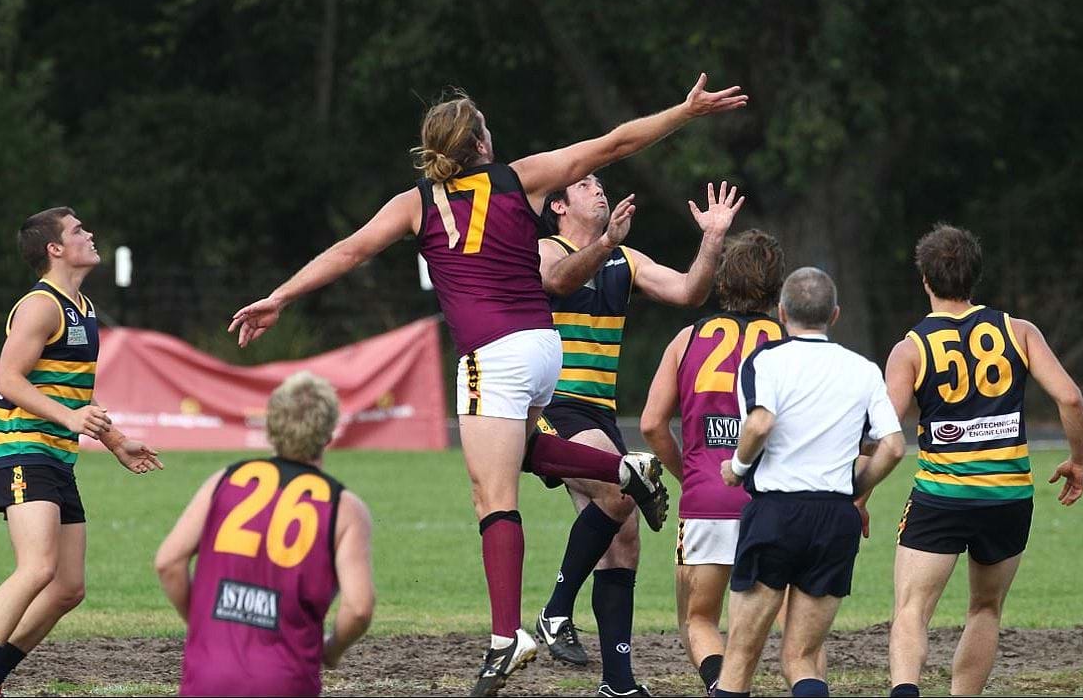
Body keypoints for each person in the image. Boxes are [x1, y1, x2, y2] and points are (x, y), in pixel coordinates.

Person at [229, 73, 749, 696]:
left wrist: (280, 296)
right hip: (542, 349)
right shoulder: (519, 177)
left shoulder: (415, 204)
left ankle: (507, 637)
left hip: (492, 355)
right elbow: (614, 143)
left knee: (492, 498)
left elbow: (349, 251)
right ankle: (620, 470)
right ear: (479, 143)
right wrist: (684, 113)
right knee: (522, 451)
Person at [531, 176, 744, 698]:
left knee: (623, 540)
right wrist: (605, 243)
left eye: (599, 183)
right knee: (623, 490)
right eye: (584, 184)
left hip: (599, 414)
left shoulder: (625, 260)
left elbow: (690, 291)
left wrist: (712, 239)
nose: (598, 189)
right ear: (558, 205)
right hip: (553, 407)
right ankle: (555, 611)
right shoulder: (543, 250)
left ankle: (618, 683)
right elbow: (557, 281)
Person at [0, 207, 163, 698]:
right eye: (78, 230)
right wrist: (68, 419)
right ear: (55, 248)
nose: (90, 234)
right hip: (23, 449)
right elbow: (8, 379)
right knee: (38, 567)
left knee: (67, 588)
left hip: (55, 456)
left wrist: (114, 440)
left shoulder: (81, 307)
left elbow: (72, 392)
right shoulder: (40, 306)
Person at [884, 224, 1083, 698]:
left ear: (925, 279)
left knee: (911, 610)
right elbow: (1070, 398)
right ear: (975, 275)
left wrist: (860, 494)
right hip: (1008, 498)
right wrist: (1078, 460)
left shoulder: (910, 348)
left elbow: (885, 430)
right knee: (985, 608)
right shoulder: (1019, 331)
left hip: (941, 496)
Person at [713, 267, 905, 698]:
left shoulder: (764, 361)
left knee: (740, 657)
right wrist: (854, 490)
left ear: (781, 313)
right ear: (834, 315)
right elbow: (893, 447)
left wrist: (737, 468)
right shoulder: (863, 369)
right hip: (834, 518)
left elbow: (760, 423)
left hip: (776, 514)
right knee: (801, 657)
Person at [155, 371, 374, 697]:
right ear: (329, 434)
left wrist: (203, 626)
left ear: (270, 427)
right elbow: (358, 608)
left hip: (208, 678)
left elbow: (168, 563)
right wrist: (332, 651)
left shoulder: (224, 480)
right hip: (285, 681)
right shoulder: (344, 508)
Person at [639, 229, 787, 696]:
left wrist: (690, 475)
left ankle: (725, 688)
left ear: (722, 280)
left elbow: (651, 425)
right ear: (776, 287)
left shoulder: (687, 338)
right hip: (779, 502)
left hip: (708, 499)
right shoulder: (790, 341)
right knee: (793, 627)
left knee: (698, 619)